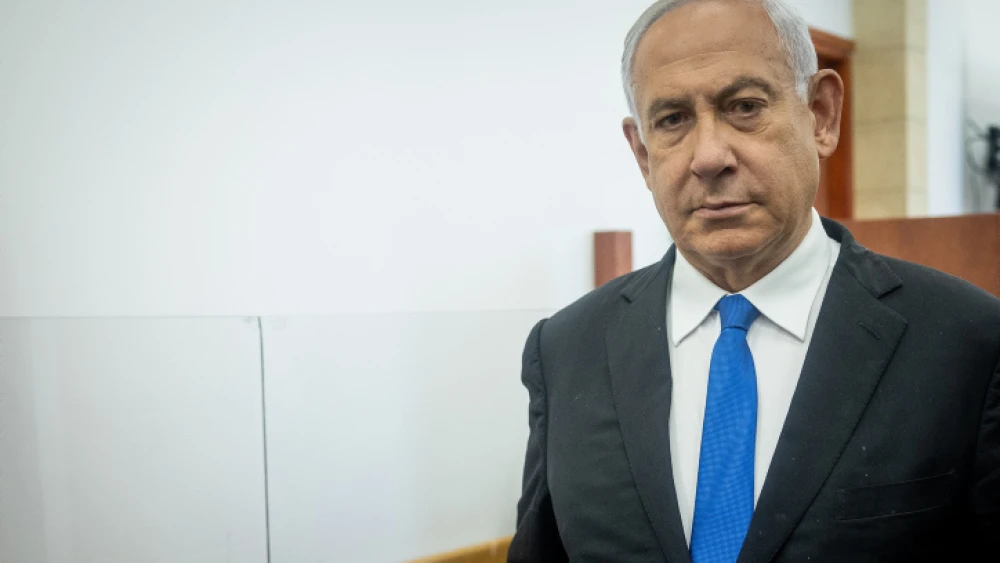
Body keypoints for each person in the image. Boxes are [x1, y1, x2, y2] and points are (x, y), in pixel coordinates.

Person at [507, 0, 1000, 561]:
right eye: (672, 120)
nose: (710, 157)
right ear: (642, 153)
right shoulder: (566, 350)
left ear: (821, 114)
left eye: (744, 106)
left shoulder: (969, 344)